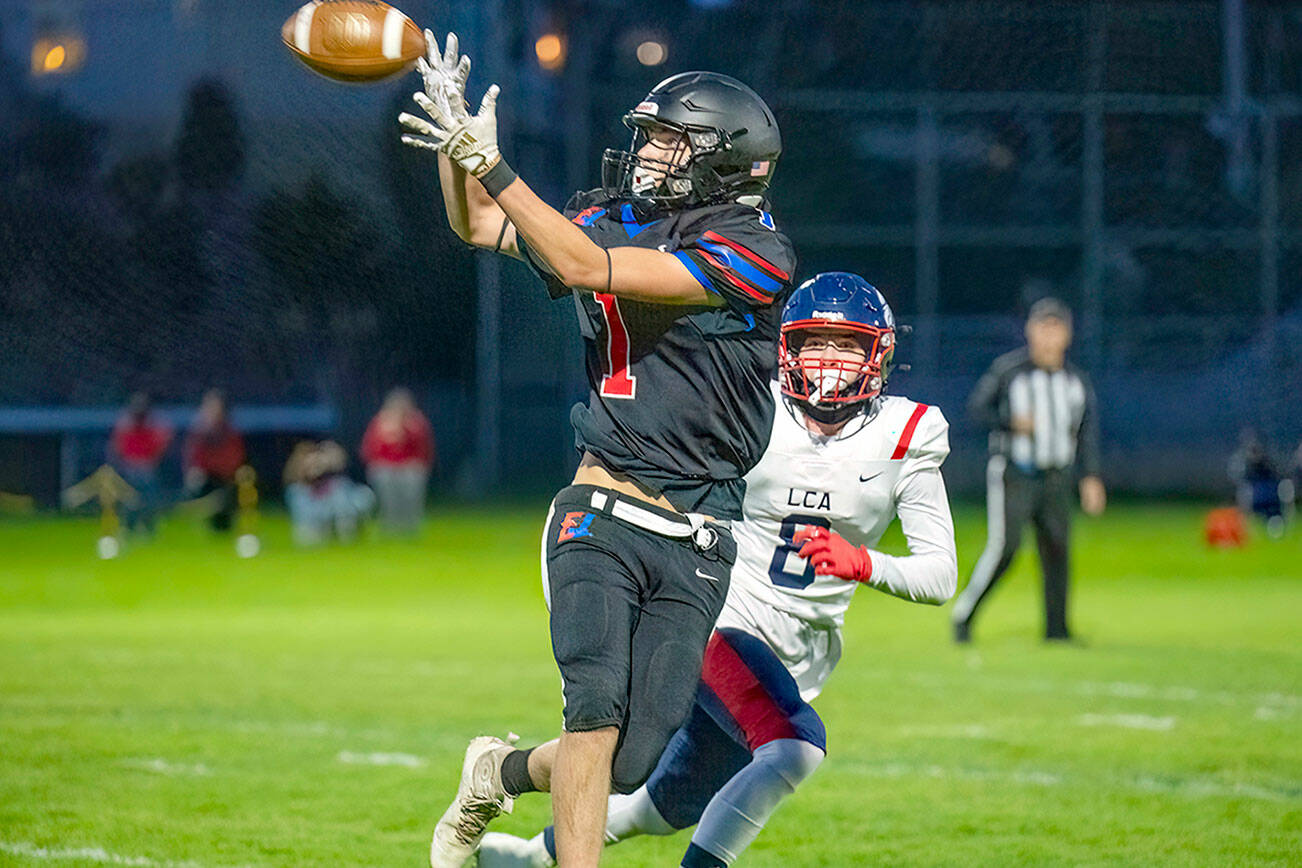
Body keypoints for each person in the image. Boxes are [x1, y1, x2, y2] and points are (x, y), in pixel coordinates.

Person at [400, 33, 794, 868]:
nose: (647, 154)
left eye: (668, 141)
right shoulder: (606, 214)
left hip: (699, 530)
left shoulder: (755, 248)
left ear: (723, 161)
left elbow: (585, 266)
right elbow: (476, 220)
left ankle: (498, 771)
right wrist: (457, 145)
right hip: (600, 510)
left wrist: (497, 164)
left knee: (633, 758)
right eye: (648, 136)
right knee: (595, 714)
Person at [474, 273, 957, 868]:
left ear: (877, 353)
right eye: (815, 342)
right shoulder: (750, 406)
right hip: (719, 613)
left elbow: (940, 575)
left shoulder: (905, 434)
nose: (829, 360)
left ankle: (526, 852)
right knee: (793, 748)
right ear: (788, 348)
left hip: (798, 651)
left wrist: (863, 561)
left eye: (846, 344)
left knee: (665, 800)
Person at [951, 297, 1105, 643]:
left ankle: (1057, 629)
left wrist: (1091, 476)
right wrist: (1009, 423)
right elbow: (976, 409)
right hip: (1015, 472)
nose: (1049, 337)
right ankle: (964, 615)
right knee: (1005, 548)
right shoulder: (1009, 372)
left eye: (1057, 328)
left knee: (1057, 550)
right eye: (1043, 327)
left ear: (1067, 335)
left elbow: (1086, 431)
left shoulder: (1076, 381)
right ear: (1030, 331)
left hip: (1057, 476)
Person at [361, 387, 435, 535]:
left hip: (410, 467)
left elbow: (424, 450)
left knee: (411, 479)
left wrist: (406, 430)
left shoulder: (417, 423)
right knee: (386, 479)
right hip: (386, 467)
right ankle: (389, 523)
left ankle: (410, 525)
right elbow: (369, 450)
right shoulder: (380, 422)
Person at [284, 440, 376, 546]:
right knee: (310, 542)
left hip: (336, 508)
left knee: (346, 502)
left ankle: (347, 538)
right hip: (312, 515)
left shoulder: (338, 482)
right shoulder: (297, 490)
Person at [107, 391, 172, 535]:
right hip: (130, 468)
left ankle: (149, 528)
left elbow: (161, 444)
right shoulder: (126, 424)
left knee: (149, 500)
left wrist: (149, 460)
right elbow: (118, 447)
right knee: (130, 501)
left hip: (148, 468)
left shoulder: (154, 424)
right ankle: (129, 527)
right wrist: (128, 463)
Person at [183, 389, 246, 532]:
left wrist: (225, 471)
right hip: (205, 478)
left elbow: (235, 456)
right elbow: (194, 456)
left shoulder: (230, 431)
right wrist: (196, 472)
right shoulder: (199, 431)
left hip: (225, 479)